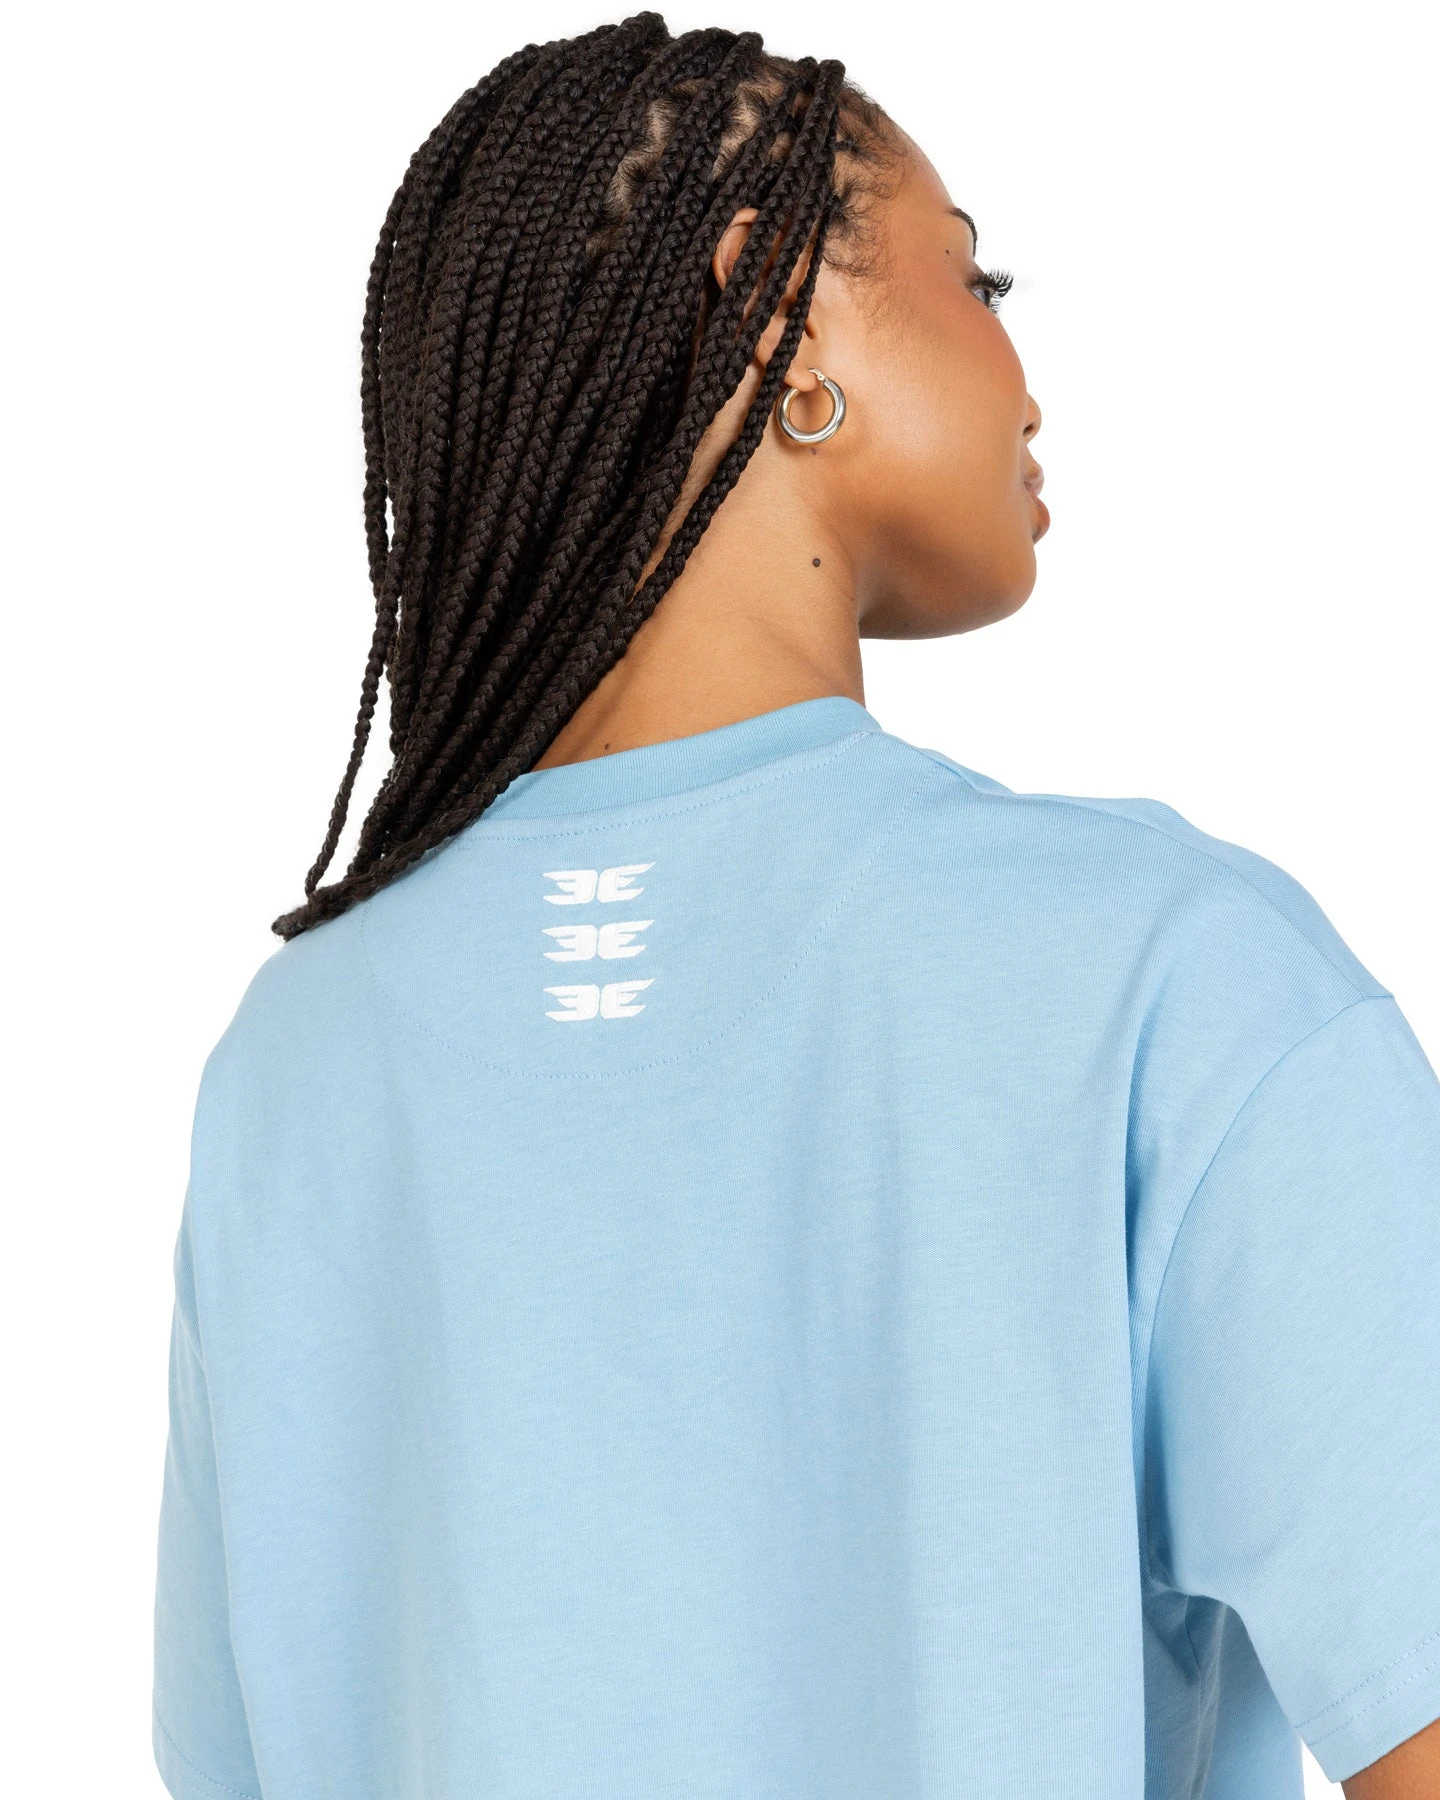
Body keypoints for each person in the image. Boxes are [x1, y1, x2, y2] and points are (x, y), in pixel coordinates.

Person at [150, 13, 1440, 1799]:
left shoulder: (295, 1062)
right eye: (978, 280)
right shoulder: (1169, 976)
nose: (1029, 383)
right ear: (777, 314)